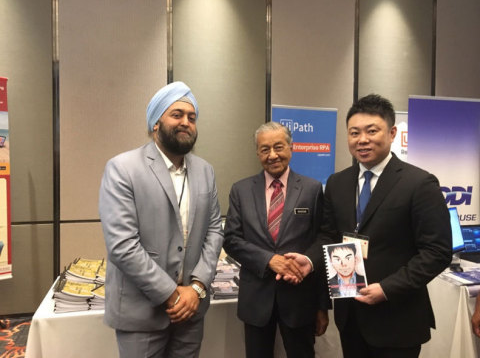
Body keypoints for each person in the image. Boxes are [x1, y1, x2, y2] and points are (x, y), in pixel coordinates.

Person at [284, 94, 452, 357]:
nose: (362, 139)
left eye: (371, 131)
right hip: (351, 314)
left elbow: (437, 251)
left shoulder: (419, 184)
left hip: (397, 318)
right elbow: (329, 234)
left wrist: (387, 288)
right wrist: (310, 259)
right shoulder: (338, 183)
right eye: (354, 133)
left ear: (392, 132)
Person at [99, 81, 224, 358]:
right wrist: (172, 294)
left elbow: (215, 231)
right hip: (141, 313)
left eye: (192, 117)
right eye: (176, 114)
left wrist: (197, 287)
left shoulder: (205, 171)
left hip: (191, 311)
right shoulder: (123, 168)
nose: (185, 122)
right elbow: (122, 245)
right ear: (156, 123)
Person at [223, 122, 330, 358]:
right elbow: (231, 239)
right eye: (264, 149)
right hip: (256, 301)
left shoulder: (312, 190)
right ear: (258, 153)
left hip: (300, 299)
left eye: (278, 147)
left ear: (291, 148)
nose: (272, 155)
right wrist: (268, 260)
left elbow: (322, 240)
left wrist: (322, 306)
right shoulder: (240, 190)